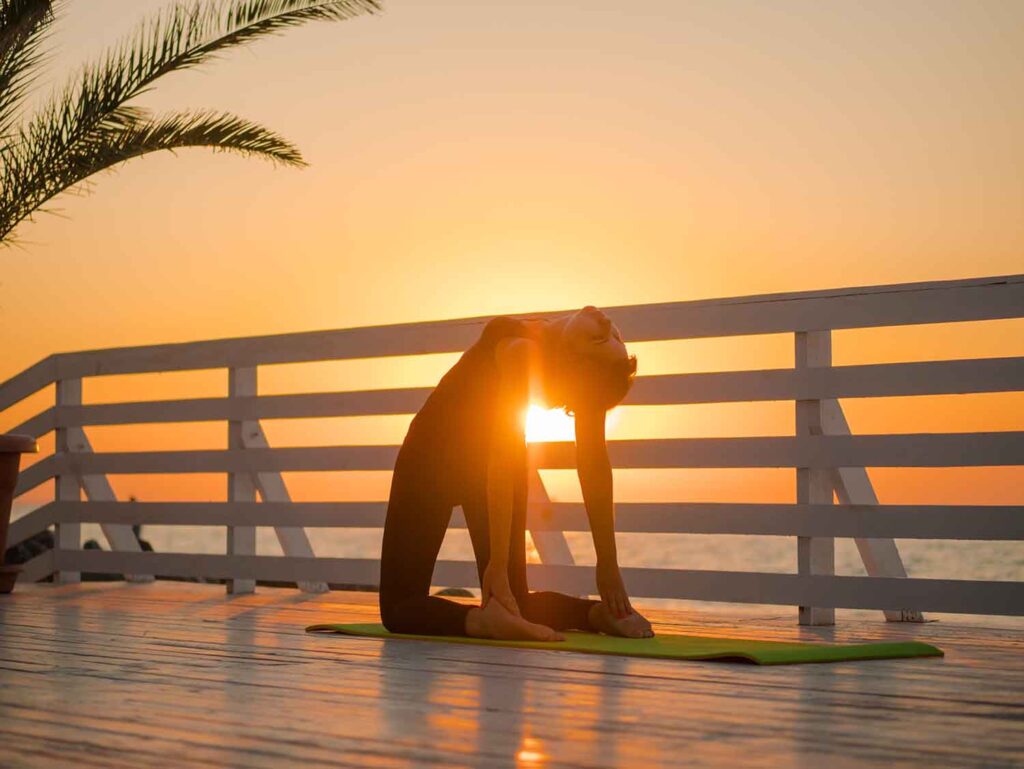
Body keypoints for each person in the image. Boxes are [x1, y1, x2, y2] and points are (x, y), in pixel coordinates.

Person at [379, 306, 654, 642]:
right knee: (408, 605)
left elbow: (592, 463)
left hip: (481, 464)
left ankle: (597, 614)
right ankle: (488, 620)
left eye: (600, 339)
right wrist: (496, 564)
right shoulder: (520, 350)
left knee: (495, 602)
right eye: (611, 336)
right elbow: (502, 457)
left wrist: (608, 565)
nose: (606, 322)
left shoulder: (578, 358)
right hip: (431, 458)